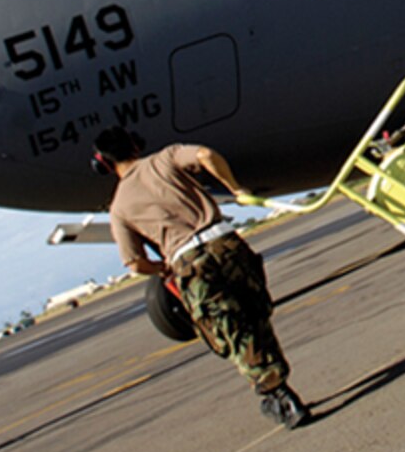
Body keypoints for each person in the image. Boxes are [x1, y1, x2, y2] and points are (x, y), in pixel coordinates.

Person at [92, 126, 310, 428]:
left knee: (231, 332)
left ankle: (279, 395)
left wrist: (162, 268)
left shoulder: (119, 208)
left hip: (189, 263)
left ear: (102, 163)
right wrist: (236, 188)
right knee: (255, 314)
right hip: (227, 244)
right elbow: (205, 154)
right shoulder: (165, 158)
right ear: (135, 146)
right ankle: (276, 384)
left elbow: (135, 263)